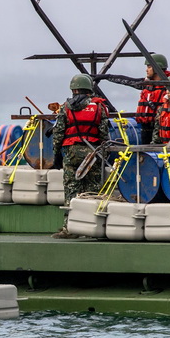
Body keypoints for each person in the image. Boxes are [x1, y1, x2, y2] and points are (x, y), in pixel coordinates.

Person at [51, 74, 111, 238]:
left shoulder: (65, 107)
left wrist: (56, 154)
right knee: (92, 191)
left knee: (72, 190)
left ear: (73, 89)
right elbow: (105, 135)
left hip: (71, 153)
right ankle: (93, 228)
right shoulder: (99, 107)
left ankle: (69, 228)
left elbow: (58, 134)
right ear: (89, 89)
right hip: (93, 153)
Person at [100, 53, 170, 144]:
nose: (146, 70)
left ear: (157, 67)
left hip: (160, 129)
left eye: (149, 67)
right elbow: (127, 80)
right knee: (145, 152)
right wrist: (107, 77)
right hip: (145, 128)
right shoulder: (146, 84)